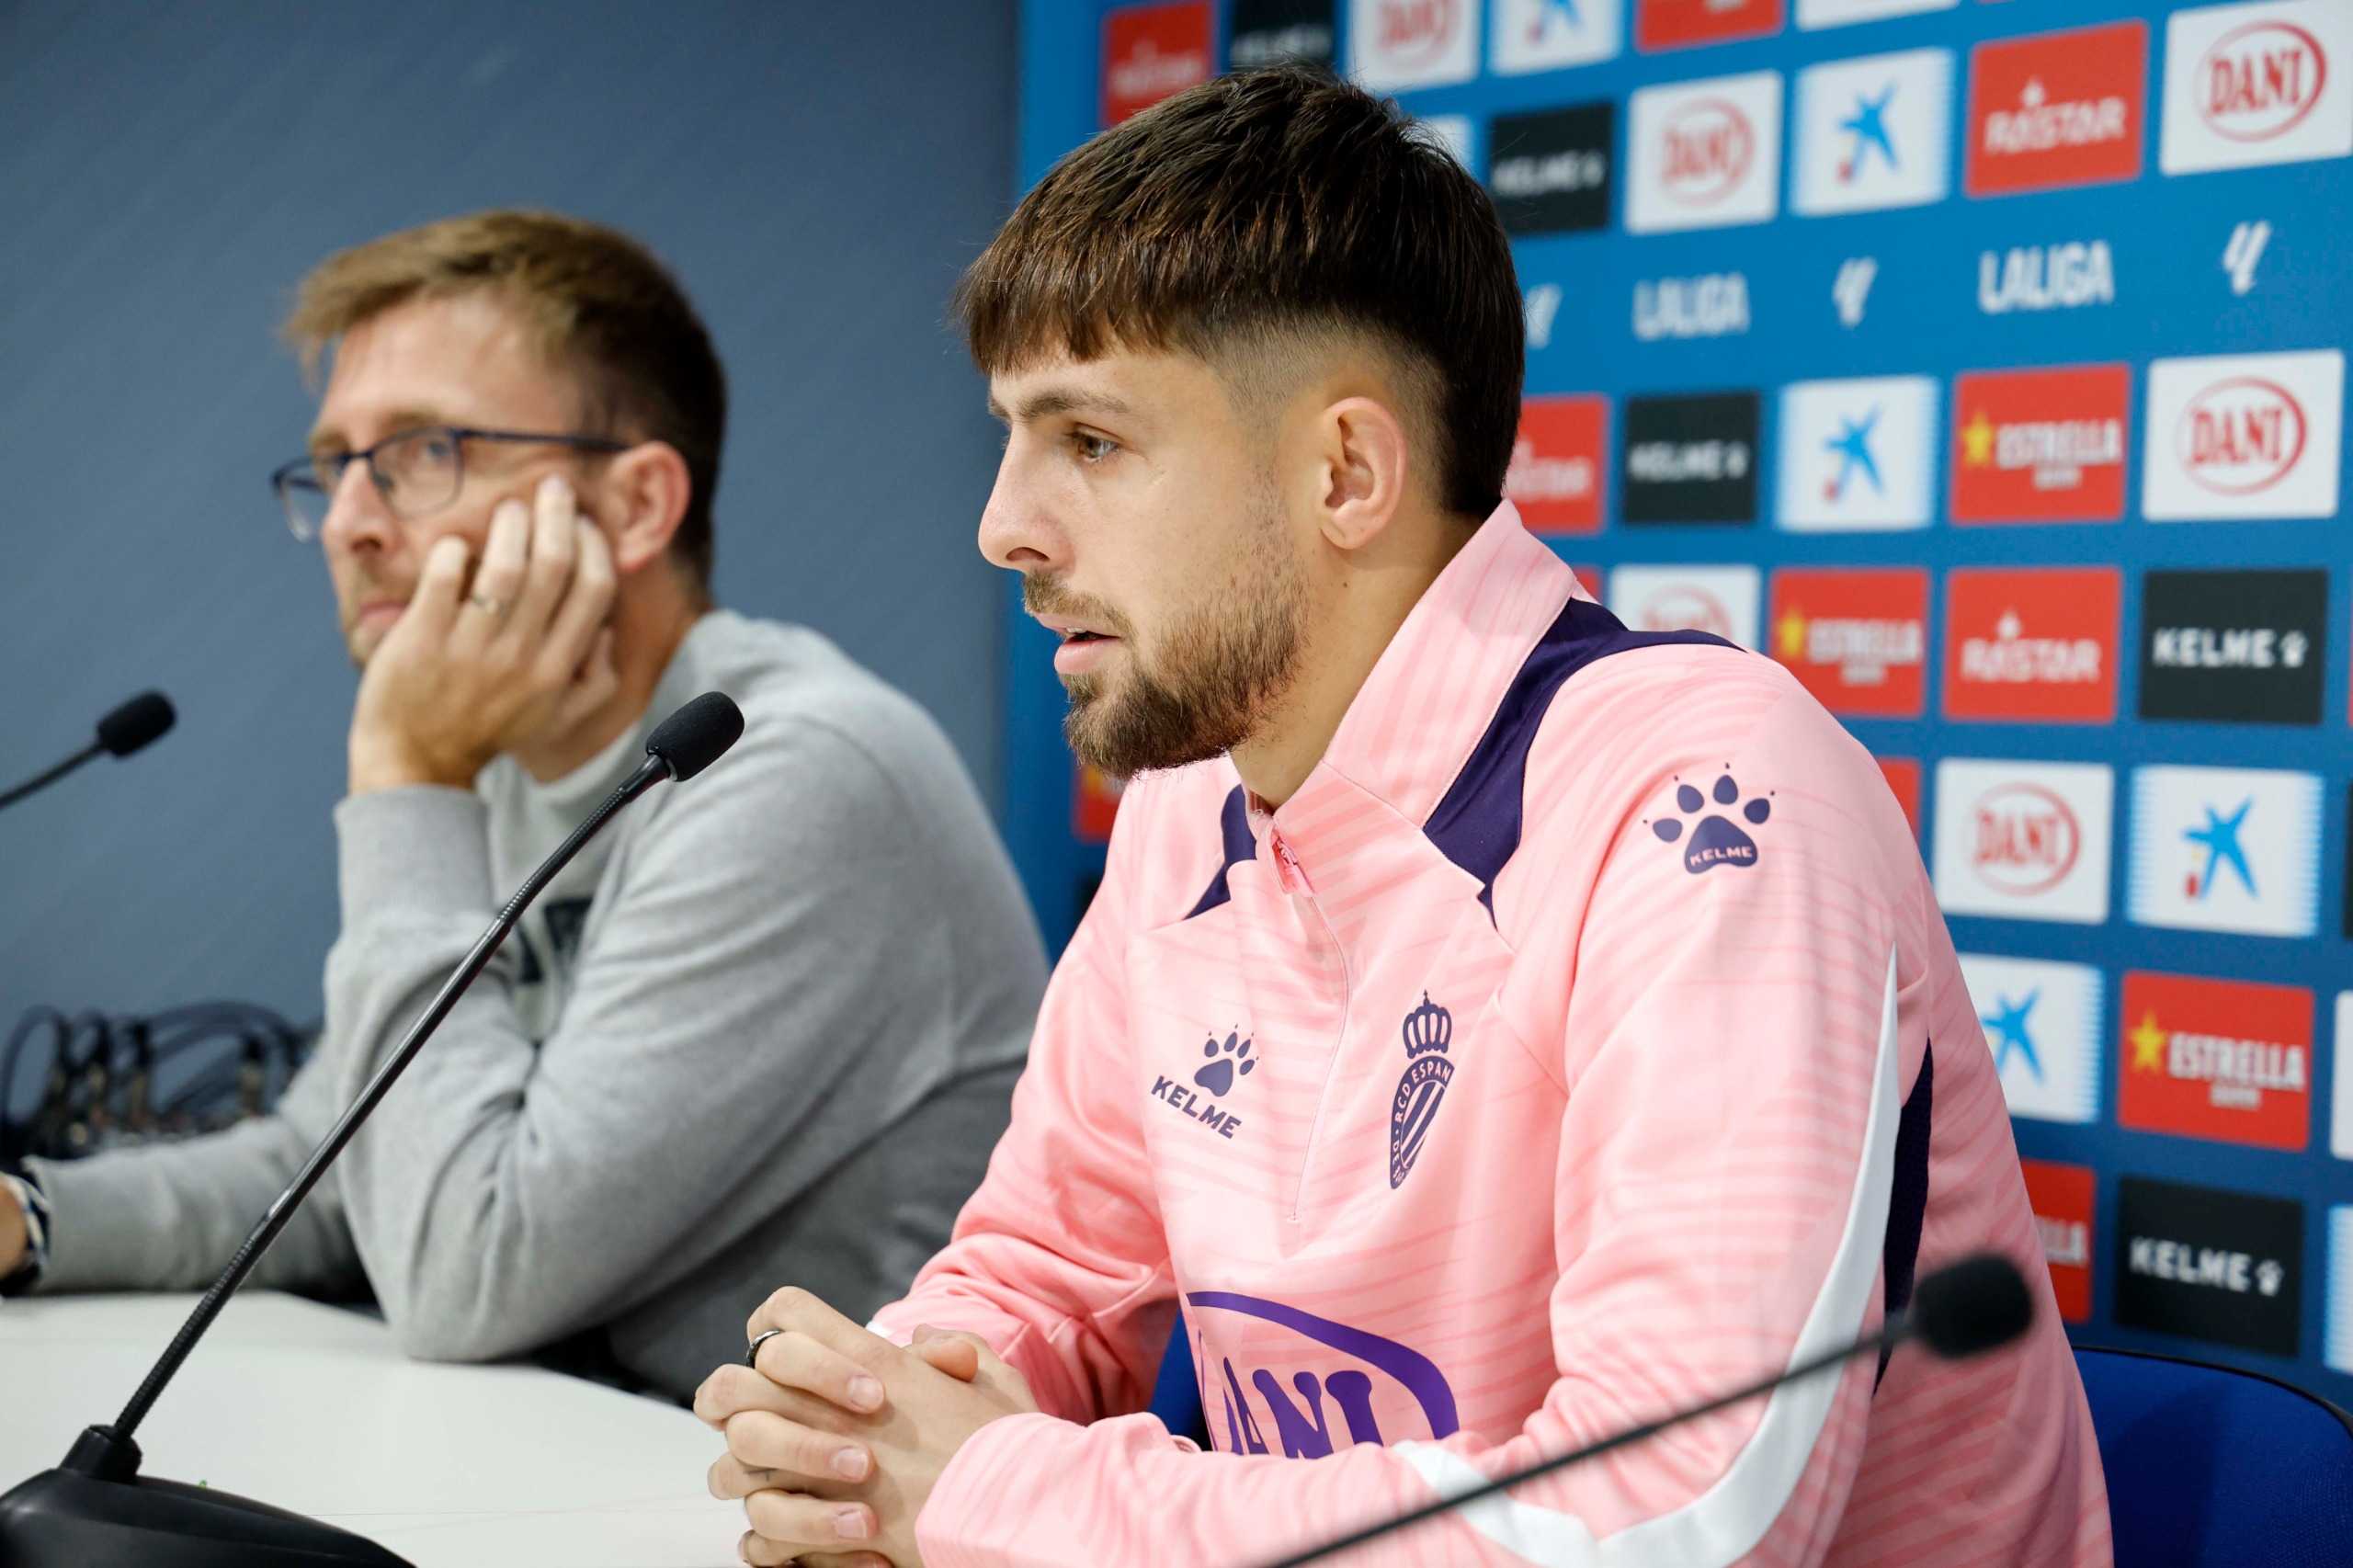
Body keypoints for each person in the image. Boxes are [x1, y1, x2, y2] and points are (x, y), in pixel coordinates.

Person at [692, 67, 2111, 1568]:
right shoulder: (1193, 798)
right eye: (1010, 435)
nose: (1004, 527)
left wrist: (993, 1495)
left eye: (1090, 441)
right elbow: (1049, 1266)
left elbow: (1681, 1517)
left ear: (1347, 472)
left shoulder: (1706, 803)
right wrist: (869, 1428)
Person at [0, 210, 1047, 1405]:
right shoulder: (497, 772)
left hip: (785, 1485)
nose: (349, 522)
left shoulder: (800, 772)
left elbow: (466, 1272)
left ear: (637, 505)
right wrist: (30, 1218)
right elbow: (330, 1164)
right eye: (336, 463)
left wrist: (406, 773)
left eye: (421, 451)